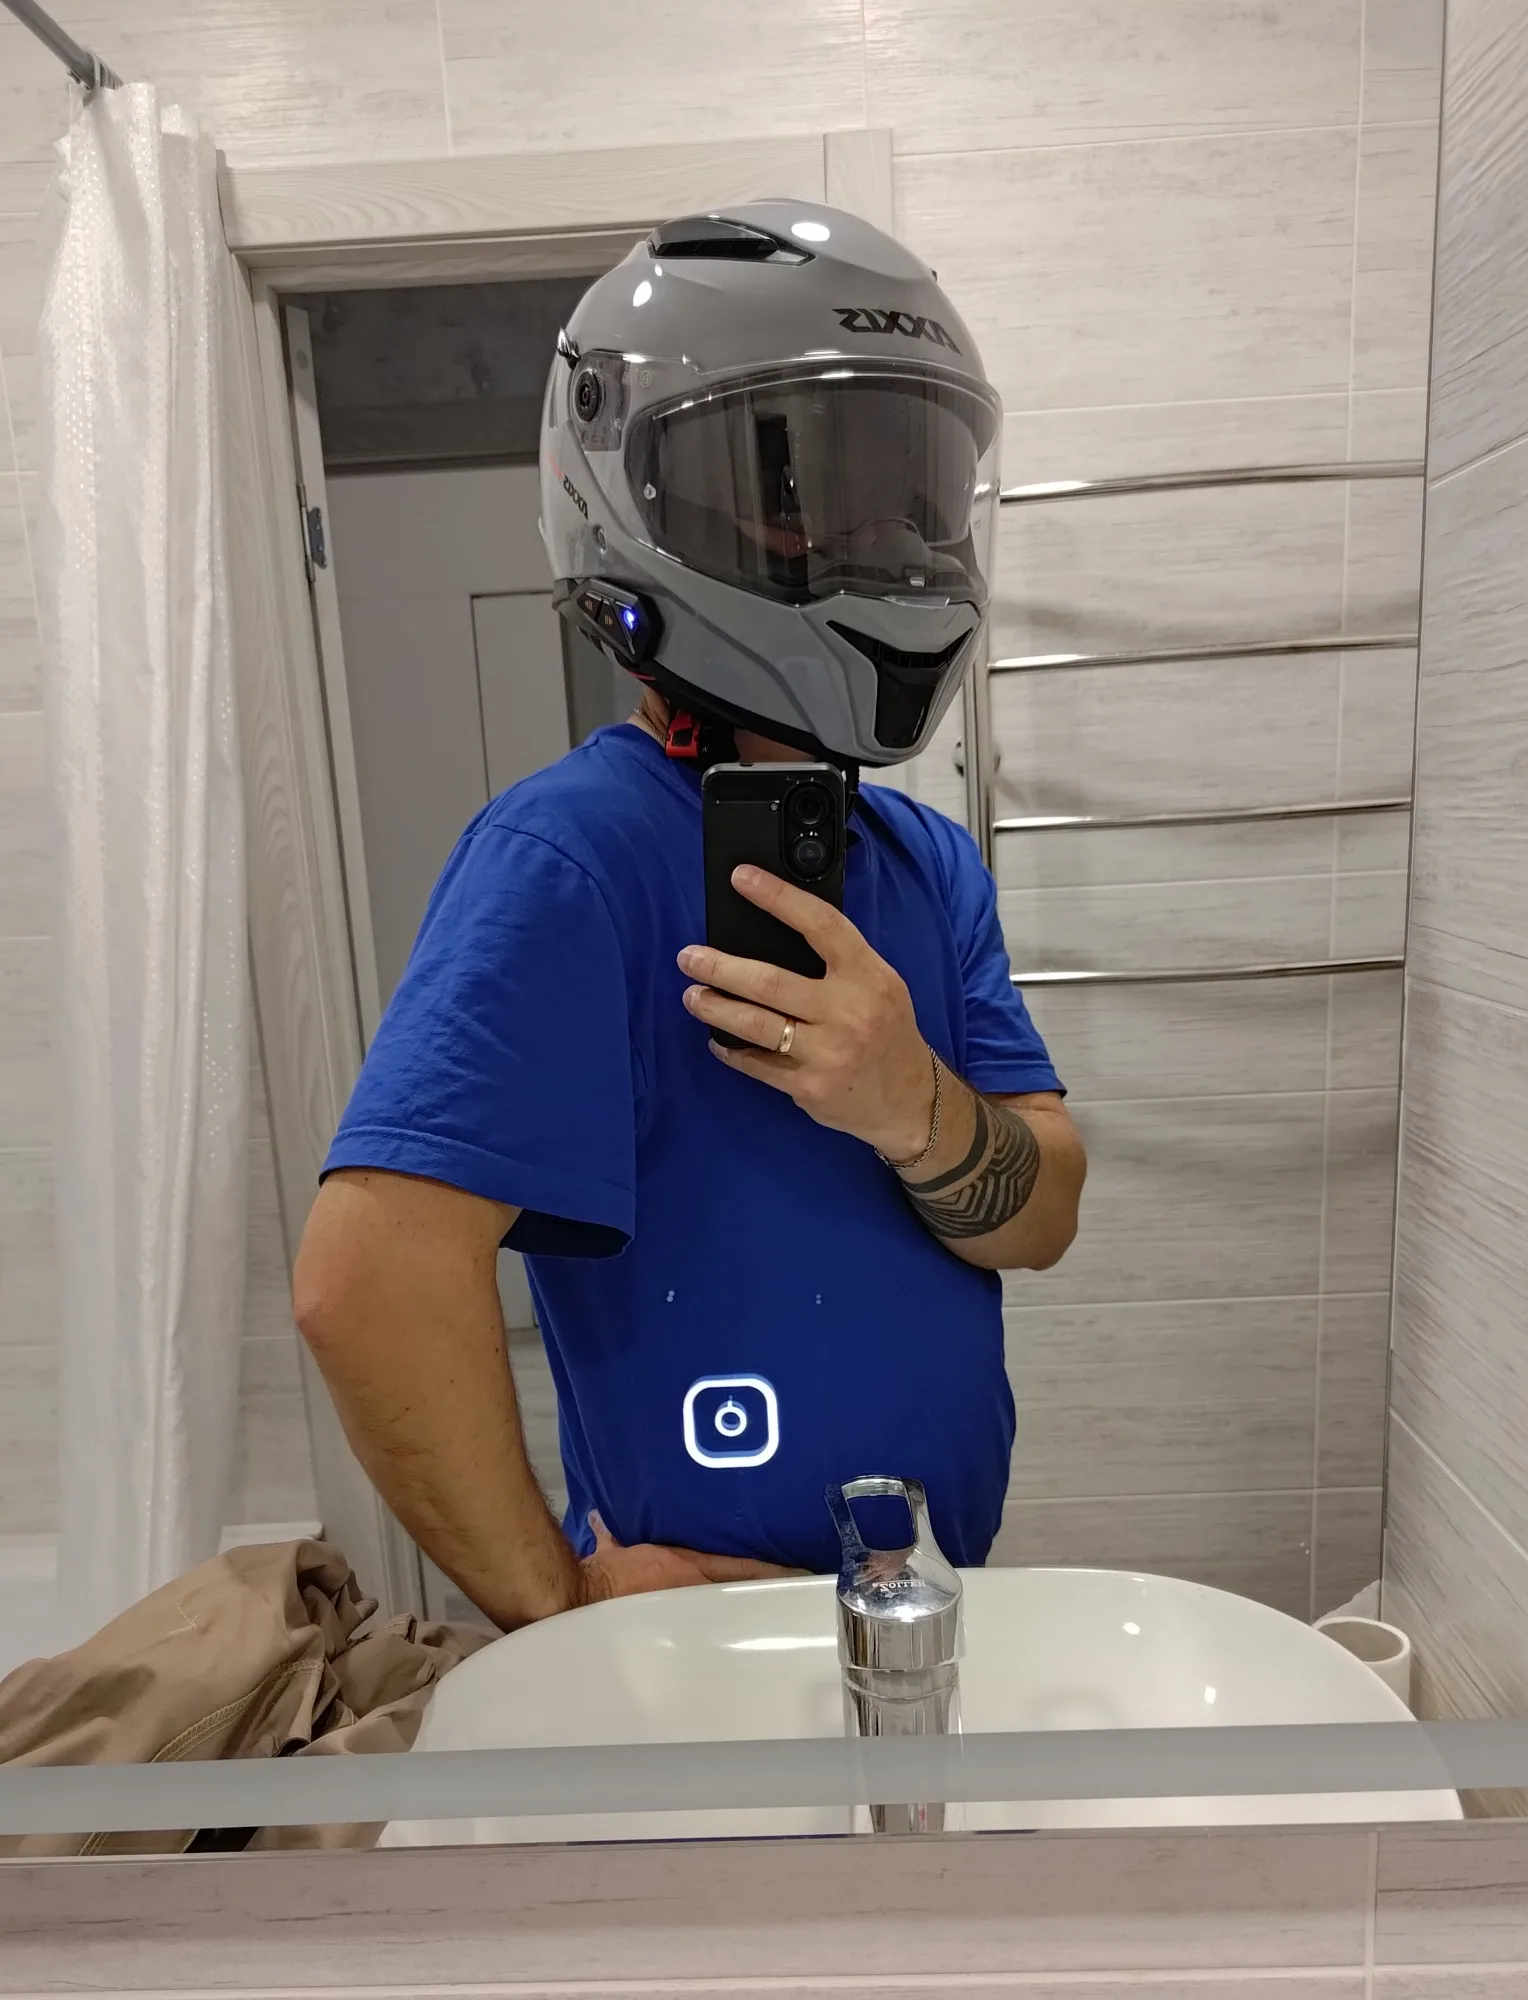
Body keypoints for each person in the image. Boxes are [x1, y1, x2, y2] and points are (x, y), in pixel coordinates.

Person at [292, 200, 1087, 1631]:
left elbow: (1043, 1218)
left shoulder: (924, 860)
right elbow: (366, 1281)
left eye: (912, 490)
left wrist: (911, 1104)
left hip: (927, 1608)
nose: (889, 542)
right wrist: (561, 1610)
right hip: (702, 1651)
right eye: (810, 485)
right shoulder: (570, 856)